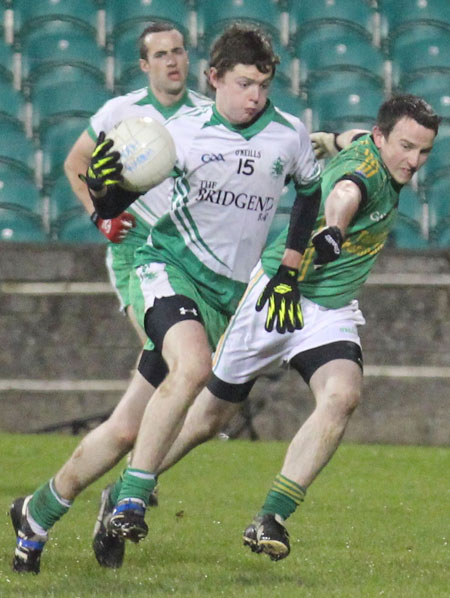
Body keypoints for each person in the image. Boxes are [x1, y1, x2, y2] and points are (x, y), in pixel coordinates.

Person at [10, 22, 322, 574]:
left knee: (129, 425)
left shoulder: (289, 134)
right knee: (194, 366)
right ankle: (131, 496)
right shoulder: (184, 134)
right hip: (167, 267)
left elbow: (308, 191)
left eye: (263, 85)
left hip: (223, 296)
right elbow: (113, 201)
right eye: (244, 83)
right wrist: (105, 191)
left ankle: (36, 512)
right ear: (216, 78)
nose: (255, 96)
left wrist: (289, 269)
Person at [132, 93, 439, 562]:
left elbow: (355, 141)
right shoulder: (367, 174)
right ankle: (131, 489)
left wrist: (332, 138)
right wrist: (334, 230)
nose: (414, 160)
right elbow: (345, 193)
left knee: (342, 395)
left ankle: (271, 517)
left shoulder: (372, 145)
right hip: (280, 292)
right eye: (406, 147)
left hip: (329, 310)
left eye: (423, 151)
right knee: (211, 417)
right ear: (382, 139)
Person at [64, 21, 211, 342]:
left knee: (178, 360)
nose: (171, 61)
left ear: (187, 57)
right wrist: (99, 215)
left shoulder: (209, 116)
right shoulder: (120, 112)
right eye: (160, 55)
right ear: (145, 65)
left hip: (189, 249)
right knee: (161, 349)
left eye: (177, 51)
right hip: (135, 243)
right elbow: (75, 162)